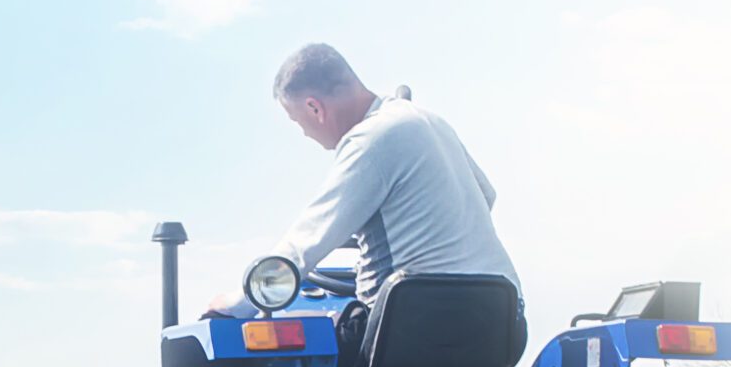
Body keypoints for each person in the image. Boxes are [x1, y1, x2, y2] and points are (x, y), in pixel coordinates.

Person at [214, 43, 520, 315]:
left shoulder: (369, 140)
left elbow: (305, 243)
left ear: (314, 107)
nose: (305, 133)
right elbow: (486, 195)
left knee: (324, 348)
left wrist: (240, 301)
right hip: (501, 320)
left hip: (420, 328)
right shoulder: (429, 120)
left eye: (298, 122)